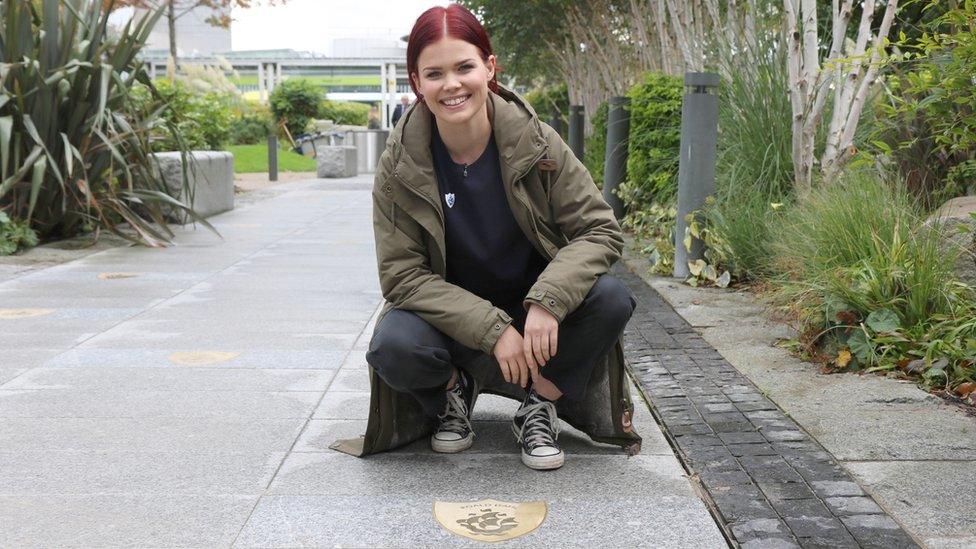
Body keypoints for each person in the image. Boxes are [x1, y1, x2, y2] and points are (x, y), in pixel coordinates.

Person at [331, 4, 641, 471]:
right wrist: (494, 331)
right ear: (416, 82)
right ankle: (454, 390)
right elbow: (401, 277)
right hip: (451, 320)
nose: (451, 85)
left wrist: (548, 302)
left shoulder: (539, 144)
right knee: (393, 346)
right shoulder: (399, 165)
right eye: (434, 73)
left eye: (464, 67)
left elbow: (599, 229)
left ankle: (540, 402)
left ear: (489, 67)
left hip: (537, 317)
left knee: (612, 299)